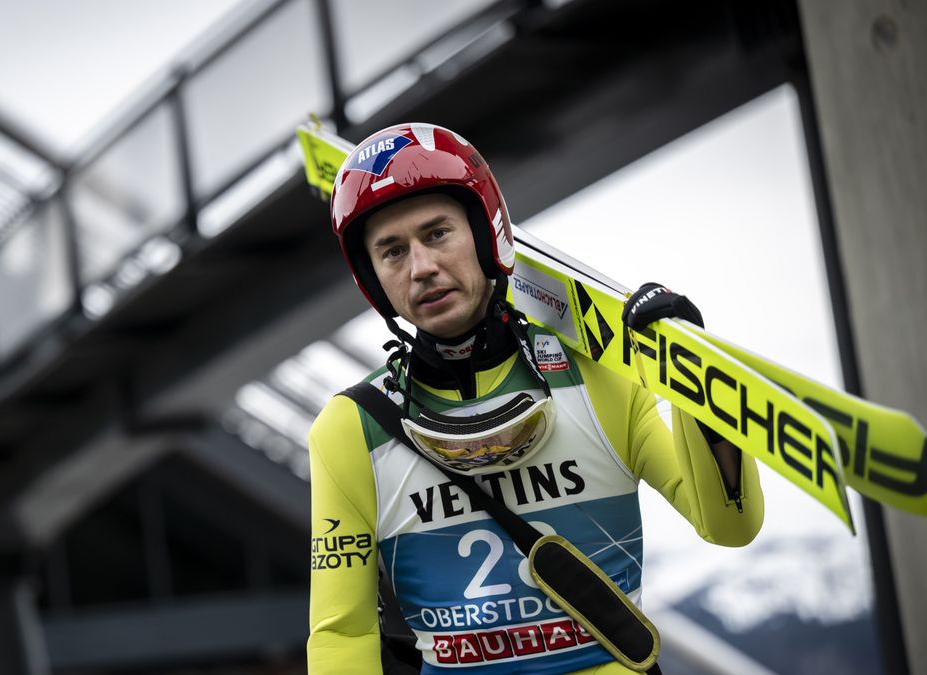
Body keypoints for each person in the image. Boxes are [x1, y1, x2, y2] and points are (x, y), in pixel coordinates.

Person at [306, 122, 763, 674]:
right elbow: (342, 635)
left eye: (437, 234)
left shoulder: (598, 380)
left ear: (484, 232)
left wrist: (692, 377)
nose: (421, 268)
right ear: (373, 278)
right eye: (393, 251)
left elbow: (729, 524)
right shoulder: (352, 428)